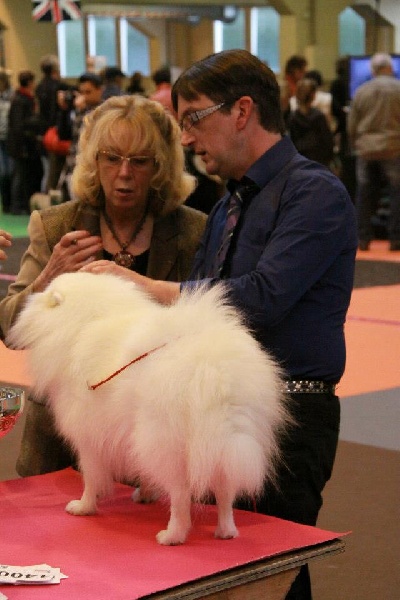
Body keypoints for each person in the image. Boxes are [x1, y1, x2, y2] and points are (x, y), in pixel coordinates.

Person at [82, 50, 357, 600]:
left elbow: (262, 299)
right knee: (213, 581)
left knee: (272, 577)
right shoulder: (229, 205)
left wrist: (148, 287)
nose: (186, 138)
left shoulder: (314, 193)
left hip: (286, 415)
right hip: (209, 410)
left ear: (242, 111)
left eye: (193, 118)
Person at [0, 94, 207, 476]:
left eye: (139, 161)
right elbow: (12, 331)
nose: (124, 173)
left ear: (160, 166)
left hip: (156, 436)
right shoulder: (55, 225)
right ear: (93, 162)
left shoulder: (193, 231)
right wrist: (49, 277)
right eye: (112, 158)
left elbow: (206, 328)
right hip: (60, 441)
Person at [347, 52, 400, 251]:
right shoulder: (398, 89)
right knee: (396, 193)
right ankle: (396, 238)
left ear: (373, 70)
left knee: (364, 193)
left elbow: (352, 124)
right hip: (393, 146)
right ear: (390, 68)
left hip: (366, 148)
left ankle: (363, 238)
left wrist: (355, 144)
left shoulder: (361, 91)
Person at [57, 72, 104, 199]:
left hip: (92, 173)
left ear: (100, 90)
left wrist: (84, 112)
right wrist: (64, 110)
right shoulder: (79, 111)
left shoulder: (104, 113)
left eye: (88, 92)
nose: (84, 97)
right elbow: (63, 135)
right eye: (81, 92)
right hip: (73, 167)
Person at [7, 70, 43, 215]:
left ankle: (19, 204)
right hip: (21, 145)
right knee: (20, 176)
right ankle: (16, 205)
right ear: (29, 82)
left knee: (22, 175)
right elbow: (18, 125)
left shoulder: (22, 98)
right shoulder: (20, 100)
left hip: (23, 144)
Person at [288, 78, 334, 167]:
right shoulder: (319, 116)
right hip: (319, 162)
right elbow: (327, 142)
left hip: (299, 163)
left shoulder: (292, 118)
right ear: (313, 95)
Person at [0, 69, 14, 214]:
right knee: (3, 172)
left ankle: (11, 202)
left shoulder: (12, 95)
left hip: (9, 139)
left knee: (10, 171)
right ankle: (6, 203)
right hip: (0, 140)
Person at [281, 54, 308, 126]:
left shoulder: (299, 86)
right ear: (295, 71)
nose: (304, 75)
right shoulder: (284, 87)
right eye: (303, 71)